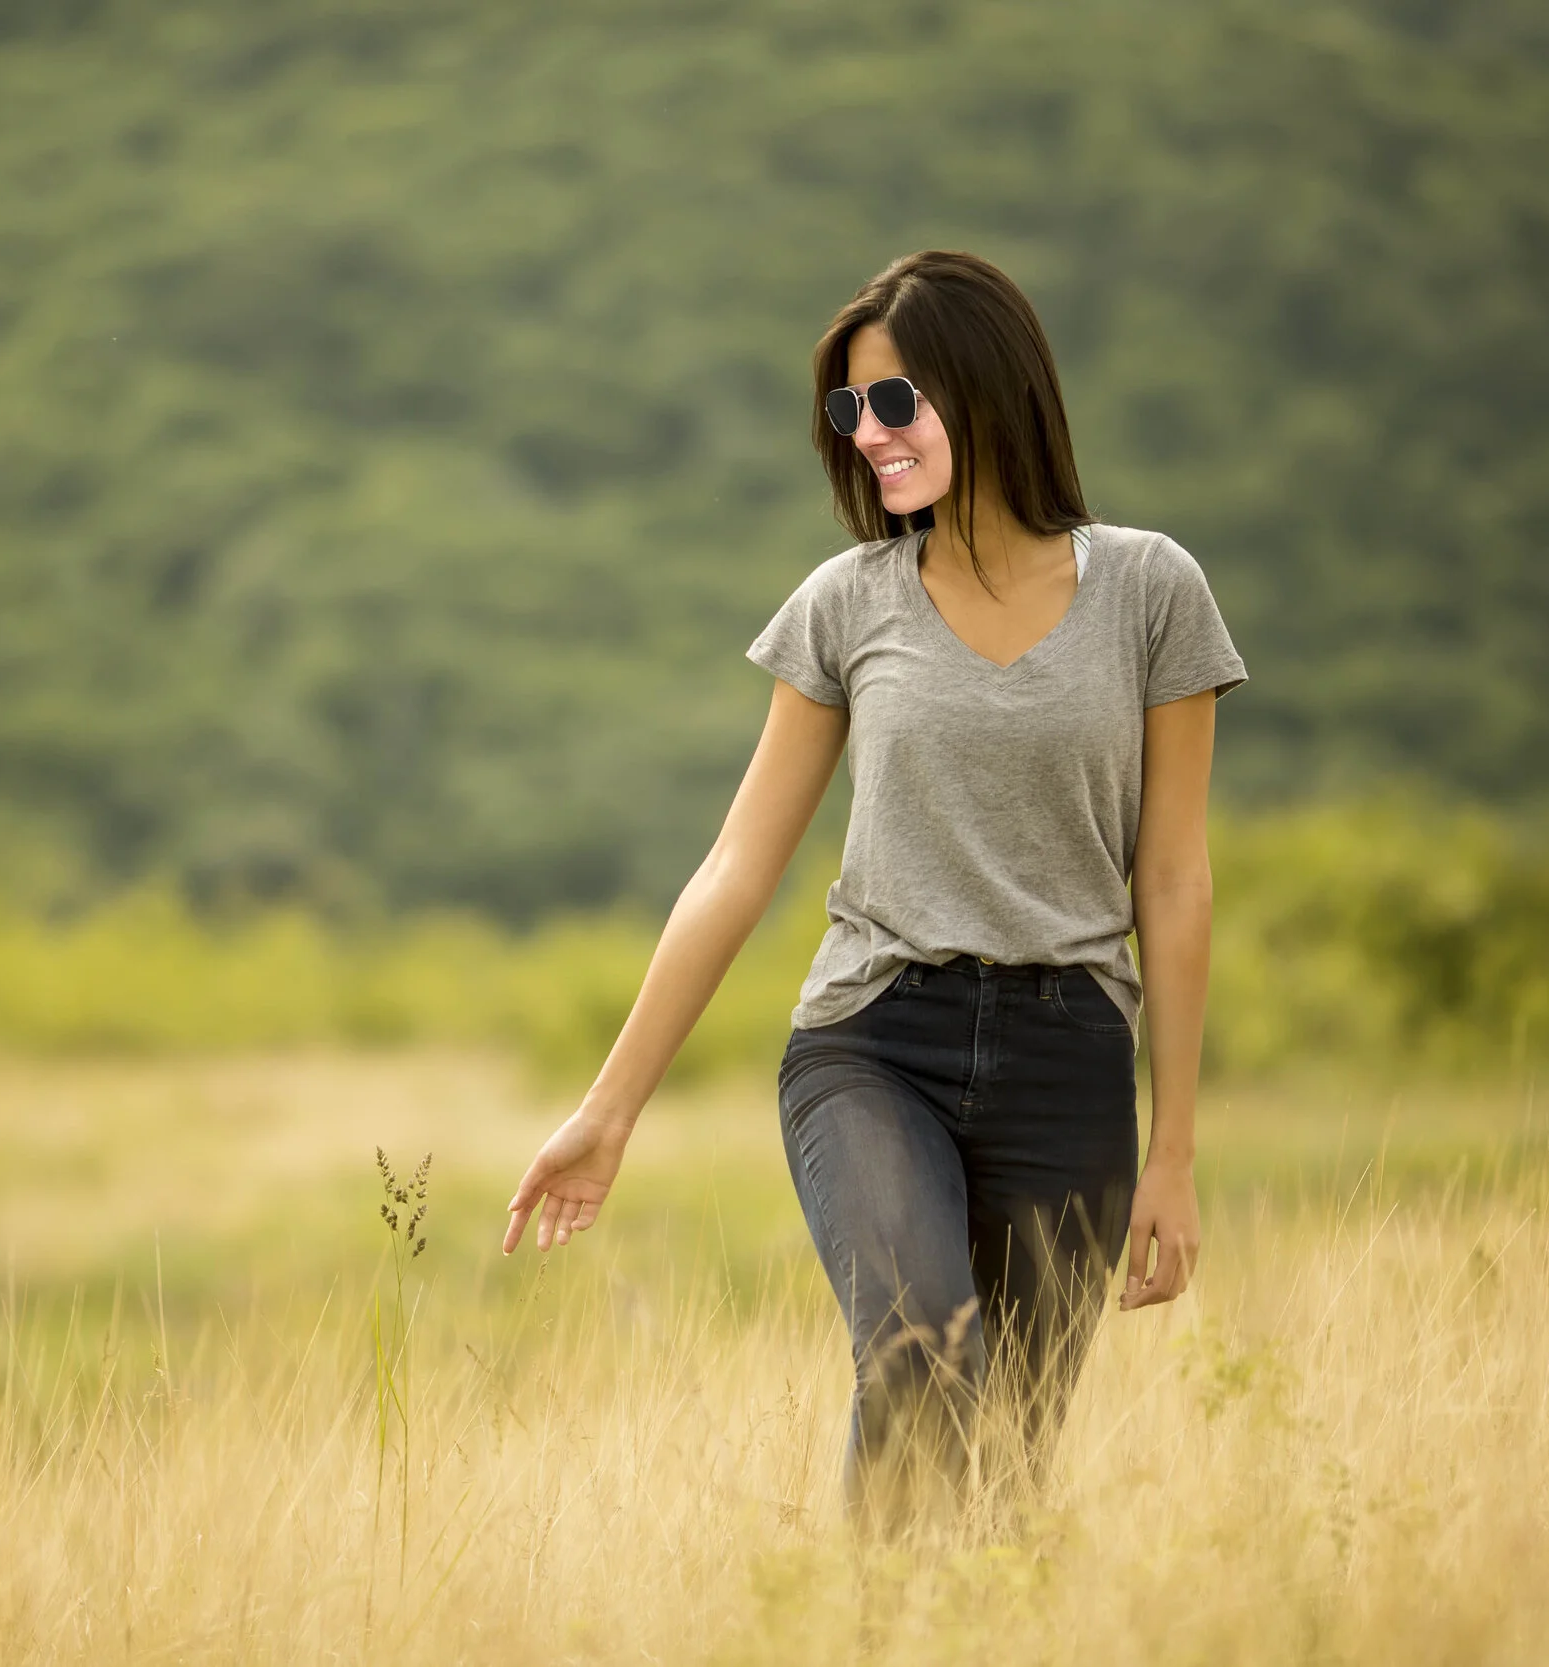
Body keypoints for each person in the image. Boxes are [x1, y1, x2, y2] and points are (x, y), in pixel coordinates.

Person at [499, 249, 1246, 1533]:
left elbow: (1172, 879)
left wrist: (1173, 1151)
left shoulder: (1149, 591)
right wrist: (608, 1108)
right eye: (850, 413)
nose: (871, 438)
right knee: (914, 1356)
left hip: (1070, 1058)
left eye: (895, 402)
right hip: (873, 1040)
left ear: (988, 387)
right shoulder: (846, 607)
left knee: (1006, 1471)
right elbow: (736, 867)